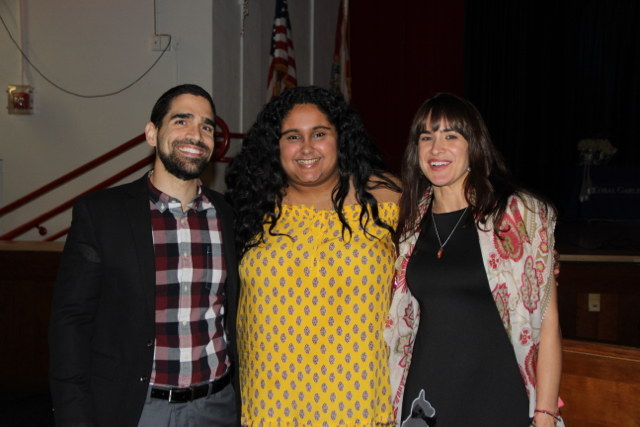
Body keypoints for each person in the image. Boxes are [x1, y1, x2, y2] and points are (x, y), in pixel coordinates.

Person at [49, 84, 240, 427]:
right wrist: (72, 414)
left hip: (218, 407)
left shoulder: (228, 214)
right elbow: (70, 324)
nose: (196, 134)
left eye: (206, 126)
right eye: (181, 121)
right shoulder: (102, 214)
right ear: (152, 133)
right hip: (136, 409)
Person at [224, 86, 401, 427]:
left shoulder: (389, 198)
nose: (306, 148)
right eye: (292, 136)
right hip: (270, 404)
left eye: (319, 134)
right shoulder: (247, 206)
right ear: (275, 145)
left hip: (362, 402)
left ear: (341, 138)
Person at [385, 93, 564, 427]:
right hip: (426, 398)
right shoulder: (410, 222)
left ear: (474, 145)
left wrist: (545, 414)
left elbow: (549, 324)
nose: (436, 149)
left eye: (450, 136)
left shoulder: (517, 216)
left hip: (498, 396)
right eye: (427, 137)